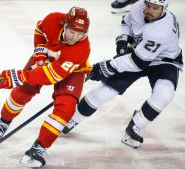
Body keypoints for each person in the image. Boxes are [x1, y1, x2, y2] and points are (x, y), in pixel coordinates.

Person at [63, 0, 183, 149]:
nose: (150, 10)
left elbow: (138, 63)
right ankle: (72, 119)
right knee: (105, 92)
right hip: (138, 53)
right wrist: (123, 42)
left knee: (164, 93)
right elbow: (126, 22)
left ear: (164, 8)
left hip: (164, 61)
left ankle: (135, 126)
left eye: (155, 8)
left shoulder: (162, 31)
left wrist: (107, 66)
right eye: (148, 5)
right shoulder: (139, 6)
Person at [0, 6, 92, 168]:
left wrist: (20, 76)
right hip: (46, 59)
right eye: (72, 32)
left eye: (81, 34)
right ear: (64, 24)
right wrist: (39, 52)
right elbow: (39, 28)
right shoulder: (53, 19)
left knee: (66, 107)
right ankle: (3, 121)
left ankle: (39, 146)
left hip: (72, 71)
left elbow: (53, 75)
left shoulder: (81, 49)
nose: (75, 37)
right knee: (22, 92)